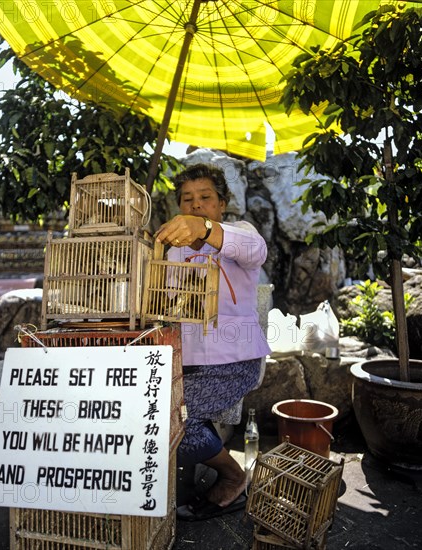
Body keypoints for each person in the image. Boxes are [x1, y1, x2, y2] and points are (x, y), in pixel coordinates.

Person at [154, 163, 271, 521]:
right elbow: (161, 302)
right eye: (187, 199)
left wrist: (205, 229)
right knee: (152, 412)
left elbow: (256, 250)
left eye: (205, 198)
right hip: (186, 362)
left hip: (235, 362)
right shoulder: (173, 252)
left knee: (170, 422)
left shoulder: (239, 233)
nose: (196, 204)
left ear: (221, 204)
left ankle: (233, 475)